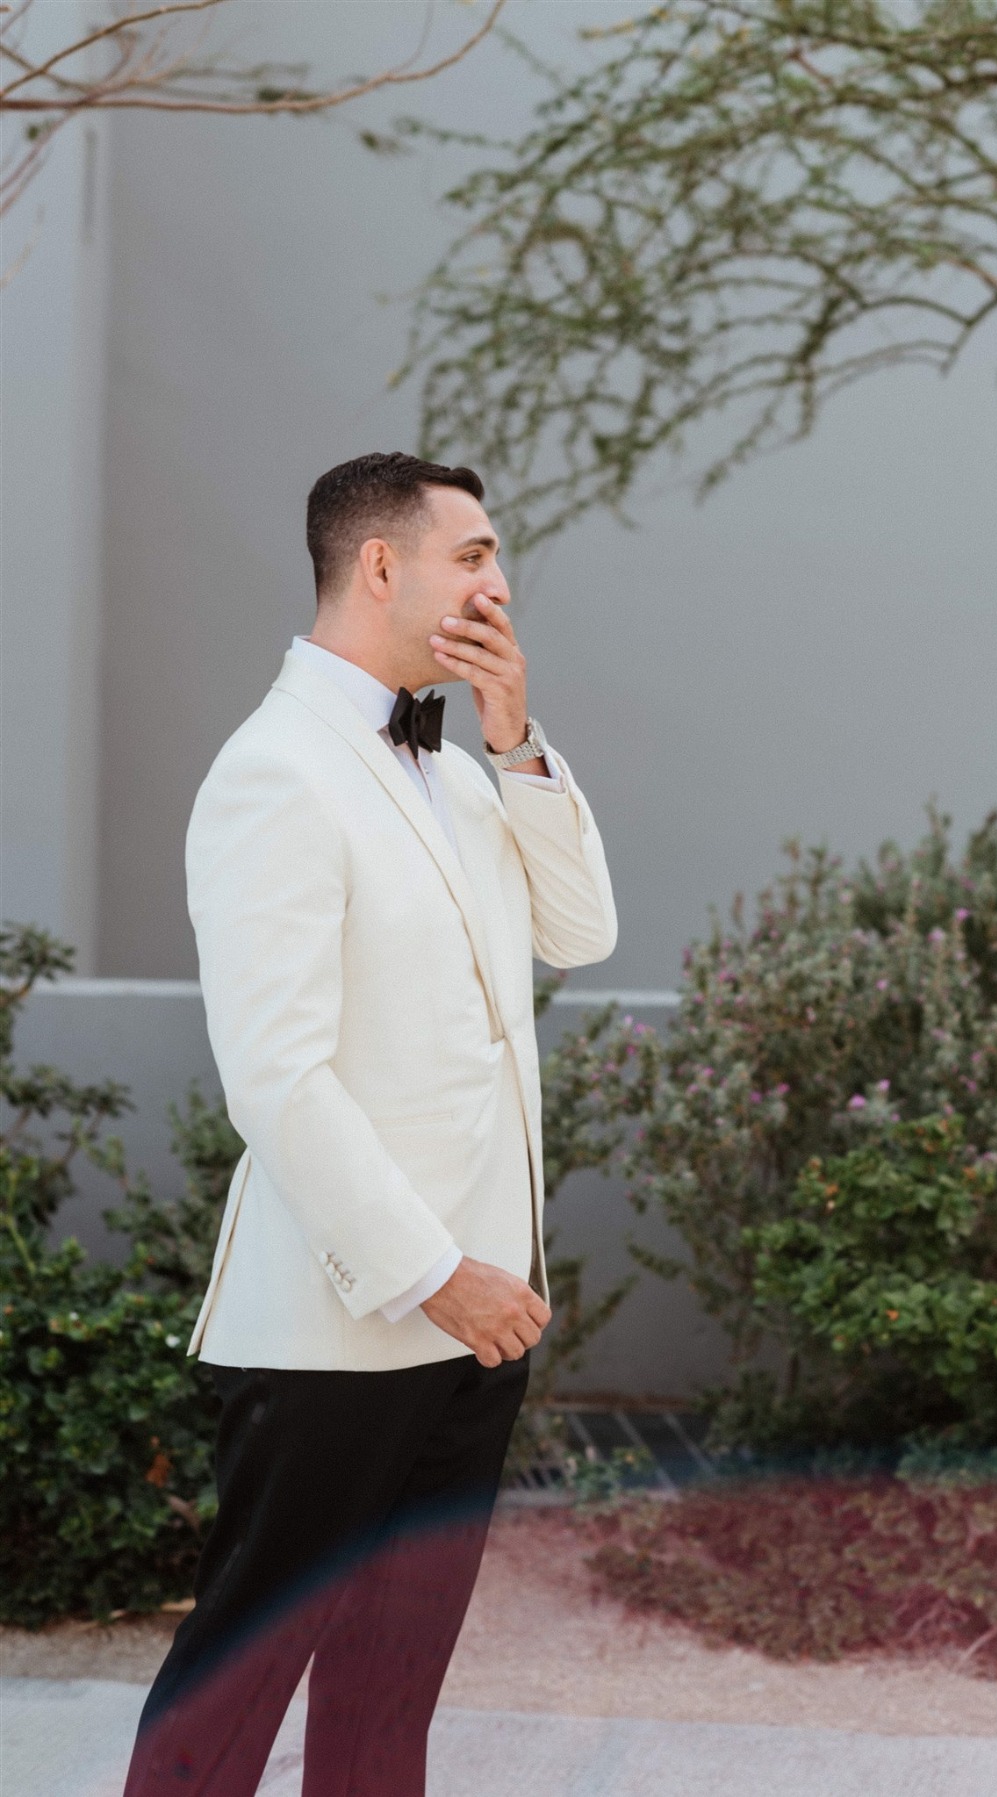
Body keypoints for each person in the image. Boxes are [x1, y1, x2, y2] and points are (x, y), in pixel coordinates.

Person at [123, 451, 617, 1795]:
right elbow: (277, 1074)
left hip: (484, 1320)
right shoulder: (274, 771)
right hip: (340, 1325)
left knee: (388, 1710)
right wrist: (430, 1271)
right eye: (475, 555)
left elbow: (583, 930)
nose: (499, 585)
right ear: (381, 564)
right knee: (235, 1691)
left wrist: (515, 738)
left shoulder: (464, 776)